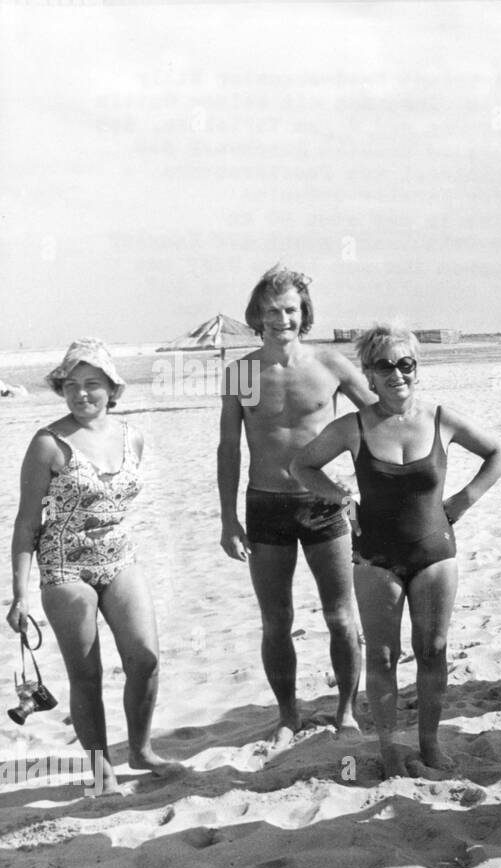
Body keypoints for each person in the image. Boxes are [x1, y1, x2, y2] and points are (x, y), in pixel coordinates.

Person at [292, 325, 501, 779]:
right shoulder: (352, 427)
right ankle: (389, 750)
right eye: (384, 366)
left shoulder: (442, 418)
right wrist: (342, 497)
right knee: (383, 657)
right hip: (375, 558)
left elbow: (497, 454)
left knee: (433, 650)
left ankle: (430, 745)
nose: (397, 374)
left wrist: (464, 501)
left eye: (405, 363)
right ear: (368, 375)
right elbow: (301, 465)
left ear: (417, 367)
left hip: (435, 553)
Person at [7, 340, 180, 795]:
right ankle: (102, 774)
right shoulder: (48, 443)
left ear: (112, 389)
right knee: (88, 675)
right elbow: (27, 523)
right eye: (72, 386)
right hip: (65, 569)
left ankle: (140, 751)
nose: (82, 394)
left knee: (145, 658)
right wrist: (20, 594)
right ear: (61, 390)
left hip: (120, 560)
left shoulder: (132, 437)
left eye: (92, 385)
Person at [218, 265, 375, 746]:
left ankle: (346, 711)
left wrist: (368, 490)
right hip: (265, 504)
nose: (281, 318)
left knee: (341, 616)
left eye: (290, 309)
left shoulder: (328, 365)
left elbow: (379, 419)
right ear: (257, 315)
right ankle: (288, 714)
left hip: (324, 502)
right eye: (271, 310)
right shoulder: (243, 372)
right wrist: (228, 519)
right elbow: (229, 447)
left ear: (303, 313)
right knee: (276, 620)